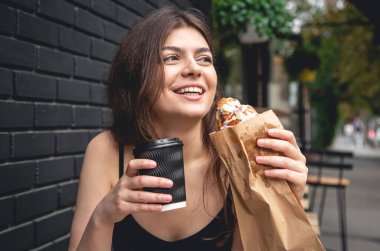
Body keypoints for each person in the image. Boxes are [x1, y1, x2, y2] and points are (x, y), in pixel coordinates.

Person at [68, 6, 308, 251]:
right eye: (172, 57)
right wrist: (104, 216)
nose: (195, 69)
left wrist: (282, 199)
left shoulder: (240, 155)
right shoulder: (107, 151)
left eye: (204, 58)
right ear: (137, 74)